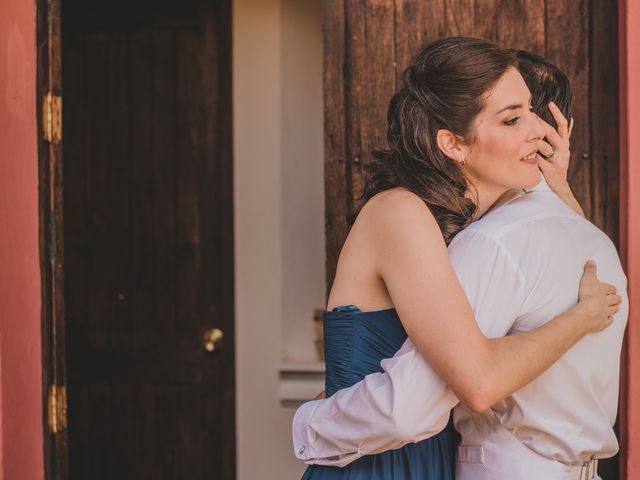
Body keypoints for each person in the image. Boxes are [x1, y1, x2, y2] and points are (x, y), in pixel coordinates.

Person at [292, 44, 628, 480]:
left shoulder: (471, 227)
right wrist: (582, 317)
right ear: (452, 143)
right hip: (378, 464)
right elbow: (480, 379)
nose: (538, 130)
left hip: (433, 459)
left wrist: (555, 185)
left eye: (531, 110)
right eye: (513, 119)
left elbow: (561, 244)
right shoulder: (401, 212)